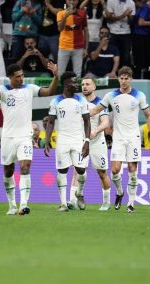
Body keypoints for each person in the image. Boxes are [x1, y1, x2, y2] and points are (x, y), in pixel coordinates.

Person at [0, 62, 59, 215]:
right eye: (18, 76)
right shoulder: (3, 89)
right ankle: (12, 205)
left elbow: (49, 91)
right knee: (8, 171)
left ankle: (23, 204)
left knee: (25, 168)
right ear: (10, 77)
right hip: (7, 137)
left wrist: (56, 76)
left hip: (25, 136)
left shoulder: (29, 89)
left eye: (22, 75)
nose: (21, 79)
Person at [90, 66, 150, 213]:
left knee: (133, 171)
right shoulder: (111, 95)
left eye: (127, 78)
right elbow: (95, 110)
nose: (124, 81)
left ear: (131, 79)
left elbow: (148, 115)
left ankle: (131, 204)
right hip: (118, 138)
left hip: (133, 137)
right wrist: (80, 113)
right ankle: (120, 192)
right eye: (121, 78)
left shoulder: (139, 95)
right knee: (115, 170)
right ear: (118, 79)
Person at [44, 71, 91, 212]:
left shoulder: (81, 100)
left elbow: (87, 121)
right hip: (63, 140)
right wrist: (46, 142)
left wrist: (87, 140)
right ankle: (63, 203)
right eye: (74, 82)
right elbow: (51, 122)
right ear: (65, 84)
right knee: (62, 171)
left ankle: (79, 193)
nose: (77, 84)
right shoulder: (55, 101)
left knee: (81, 170)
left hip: (78, 139)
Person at [68, 76, 111, 210]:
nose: (84, 86)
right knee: (77, 170)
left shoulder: (100, 103)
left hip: (97, 142)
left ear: (94, 87)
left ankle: (106, 202)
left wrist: (96, 130)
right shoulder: (76, 102)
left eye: (87, 84)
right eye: (82, 84)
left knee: (102, 173)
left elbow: (105, 122)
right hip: (81, 142)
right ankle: (73, 200)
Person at [57, 0, 89, 77]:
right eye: (70, 0)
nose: (72, 2)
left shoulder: (82, 13)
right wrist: (66, 16)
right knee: (60, 73)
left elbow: (86, 31)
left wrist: (86, 48)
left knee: (77, 74)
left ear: (77, 1)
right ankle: (60, 89)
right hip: (64, 46)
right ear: (66, 1)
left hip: (78, 47)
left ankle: (76, 89)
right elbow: (60, 29)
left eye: (74, 0)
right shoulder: (60, 13)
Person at [105, 0, 135, 68]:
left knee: (126, 57)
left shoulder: (131, 2)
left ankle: (124, 75)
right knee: (112, 55)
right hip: (113, 32)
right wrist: (123, 15)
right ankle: (112, 74)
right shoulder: (111, 1)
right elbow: (109, 20)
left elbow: (132, 22)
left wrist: (129, 16)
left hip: (126, 32)